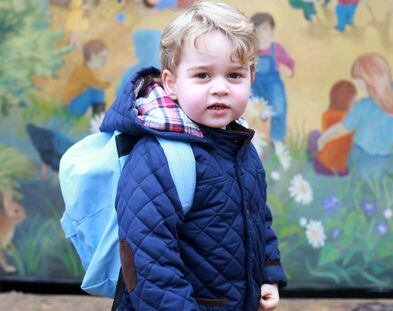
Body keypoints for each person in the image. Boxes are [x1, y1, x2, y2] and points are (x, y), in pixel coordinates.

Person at [100, 2, 287, 310]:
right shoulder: (159, 156)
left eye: (234, 75)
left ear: (251, 78)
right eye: (202, 75)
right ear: (171, 83)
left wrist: (268, 276)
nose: (220, 88)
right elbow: (149, 264)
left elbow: (257, 219)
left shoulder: (240, 144)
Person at [318, 53, 393, 179]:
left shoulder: (363, 106)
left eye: (359, 81)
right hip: (385, 159)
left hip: (364, 157)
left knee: (361, 192)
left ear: (370, 79)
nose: (358, 85)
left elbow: (344, 128)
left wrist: (324, 138)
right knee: (379, 193)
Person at [250, 12, 295, 142]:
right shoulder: (251, 49)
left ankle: (278, 138)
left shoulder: (277, 49)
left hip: (273, 85)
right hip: (255, 85)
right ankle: (256, 138)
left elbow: (289, 63)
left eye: (265, 29)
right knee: (254, 111)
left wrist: (288, 69)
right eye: (257, 30)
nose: (261, 34)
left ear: (272, 31)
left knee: (279, 108)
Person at [313, 80, 357, 176]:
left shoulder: (326, 115)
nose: (355, 104)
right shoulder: (349, 121)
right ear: (347, 101)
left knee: (314, 134)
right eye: (354, 101)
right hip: (341, 171)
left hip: (321, 166)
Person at [63, 39, 110, 117]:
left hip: (74, 106)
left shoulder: (86, 70)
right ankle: (98, 121)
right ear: (93, 56)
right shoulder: (82, 71)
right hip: (70, 108)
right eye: (102, 57)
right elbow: (97, 84)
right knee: (97, 90)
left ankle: (98, 120)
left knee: (97, 90)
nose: (105, 61)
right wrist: (109, 82)